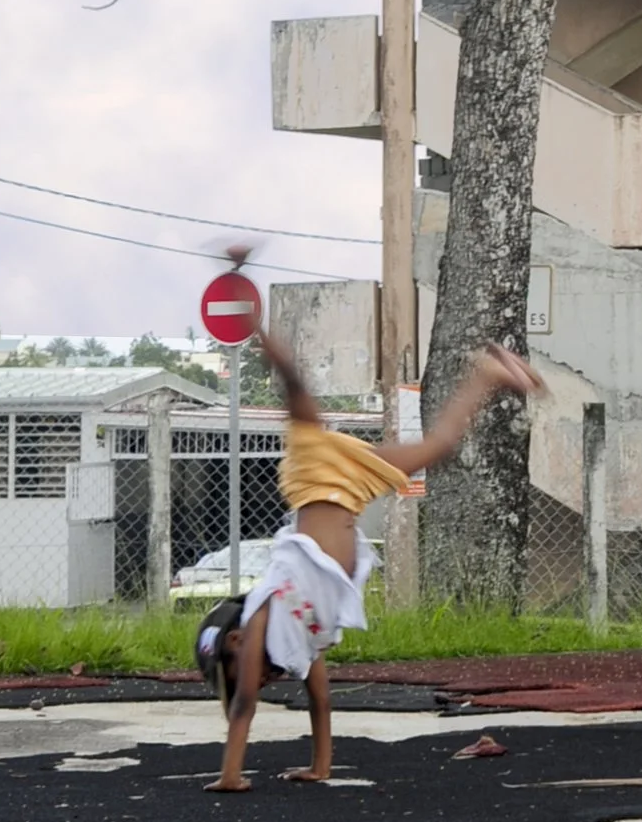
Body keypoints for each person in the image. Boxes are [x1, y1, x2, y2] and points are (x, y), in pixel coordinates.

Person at [207, 316, 542, 790]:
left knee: (295, 387)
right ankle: (488, 374)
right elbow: (320, 703)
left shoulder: (263, 612)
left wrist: (230, 776)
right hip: (349, 484)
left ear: (236, 643)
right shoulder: (301, 637)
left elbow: (243, 704)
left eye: (237, 672)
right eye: (254, 682)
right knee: (440, 447)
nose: (257, 683)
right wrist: (320, 768)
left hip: (317, 470)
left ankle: (261, 328)